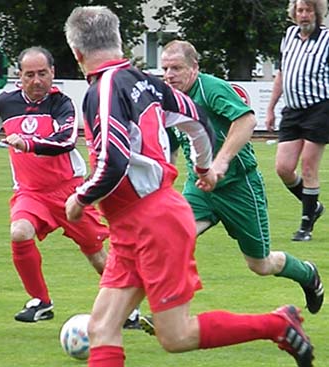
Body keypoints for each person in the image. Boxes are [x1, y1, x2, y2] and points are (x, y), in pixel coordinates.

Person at [64, 6, 314, 367]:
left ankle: (277, 323)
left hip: (152, 222)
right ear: (118, 42)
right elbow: (196, 121)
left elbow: (113, 161)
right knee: (102, 327)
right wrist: (204, 166)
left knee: (176, 335)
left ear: (77, 53)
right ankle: (278, 323)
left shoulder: (102, 90)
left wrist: (80, 198)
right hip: (136, 224)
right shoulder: (146, 81)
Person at [139, 39, 324, 336]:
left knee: (260, 264)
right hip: (200, 189)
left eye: (177, 68)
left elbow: (246, 121)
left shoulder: (211, 88)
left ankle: (307, 273)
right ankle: (169, 312)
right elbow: (170, 143)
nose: (169, 75)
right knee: (173, 237)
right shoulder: (169, 98)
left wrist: (221, 163)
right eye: (165, 69)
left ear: (195, 68)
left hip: (240, 187)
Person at [0, 46, 111, 323]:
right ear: (19, 76)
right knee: (19, 232)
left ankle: (127, 307)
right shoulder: (4, 103)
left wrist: (28, 144)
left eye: (42, 73)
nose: (36, 81)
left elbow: (66, 141)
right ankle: (41, 301)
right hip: (30, 192)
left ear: (53, 73)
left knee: (96, 254)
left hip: (69, 191)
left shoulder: (62, 104)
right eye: (29, 75)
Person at [265, 0, 328, 241]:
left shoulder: (327, 39)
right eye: (300, 10)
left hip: (320, 108)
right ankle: (313, 206)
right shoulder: (289, 35)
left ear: (317, 13)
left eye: (308, 10)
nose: (304, 15)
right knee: (283, 168)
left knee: (309, 166)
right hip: (292, 110)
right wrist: (270, 108)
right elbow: (281, 74)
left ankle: (305, 227)